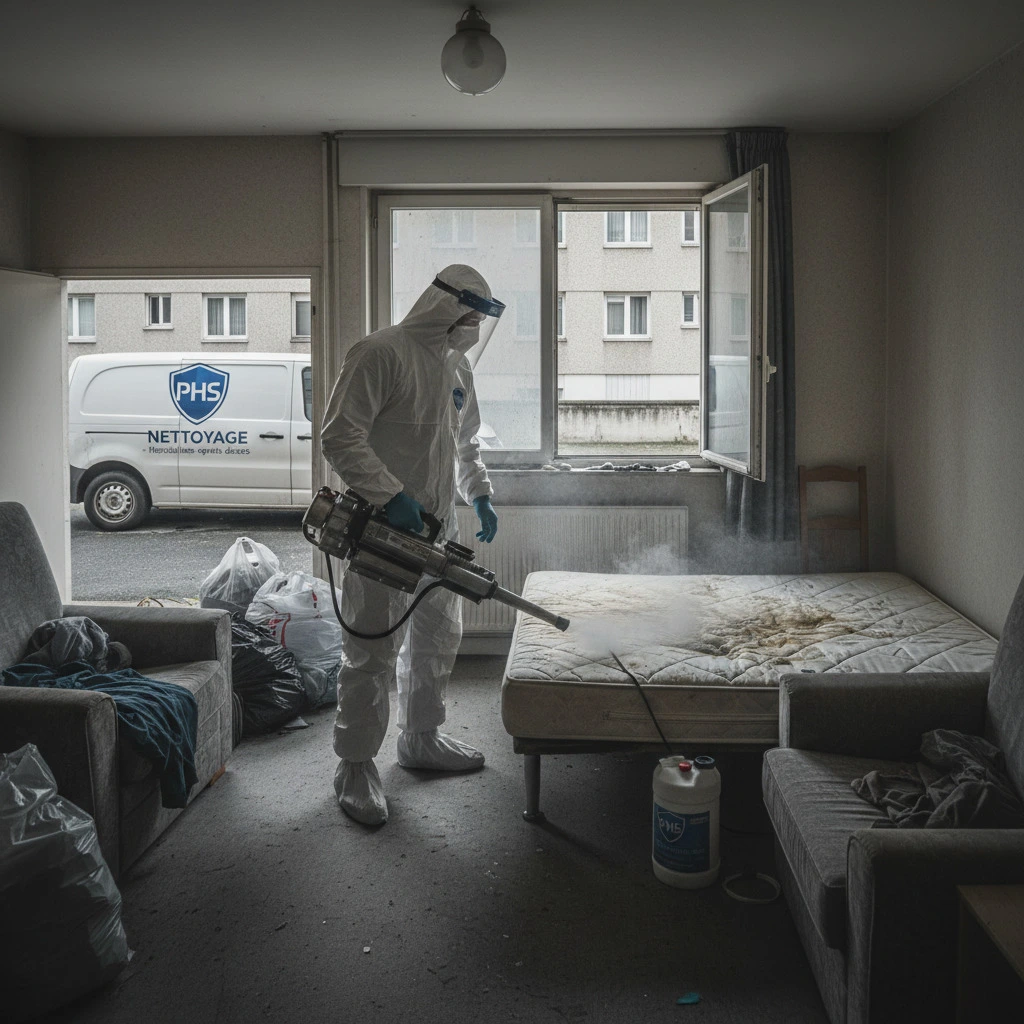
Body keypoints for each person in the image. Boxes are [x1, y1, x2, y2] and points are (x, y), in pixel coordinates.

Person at [320, 264, 503, 825]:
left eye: (479, 318)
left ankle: (421, 737)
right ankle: (354, 766)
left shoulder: (457, 368)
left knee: (437, 636)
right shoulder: (380, 353)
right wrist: (389, 495)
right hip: (382, 533)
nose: (472, 326)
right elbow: (339, 435)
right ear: (443, 304)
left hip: (437, 533)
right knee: (373, 648)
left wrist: (480, 494)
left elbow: (464, 443)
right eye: (468, 313)